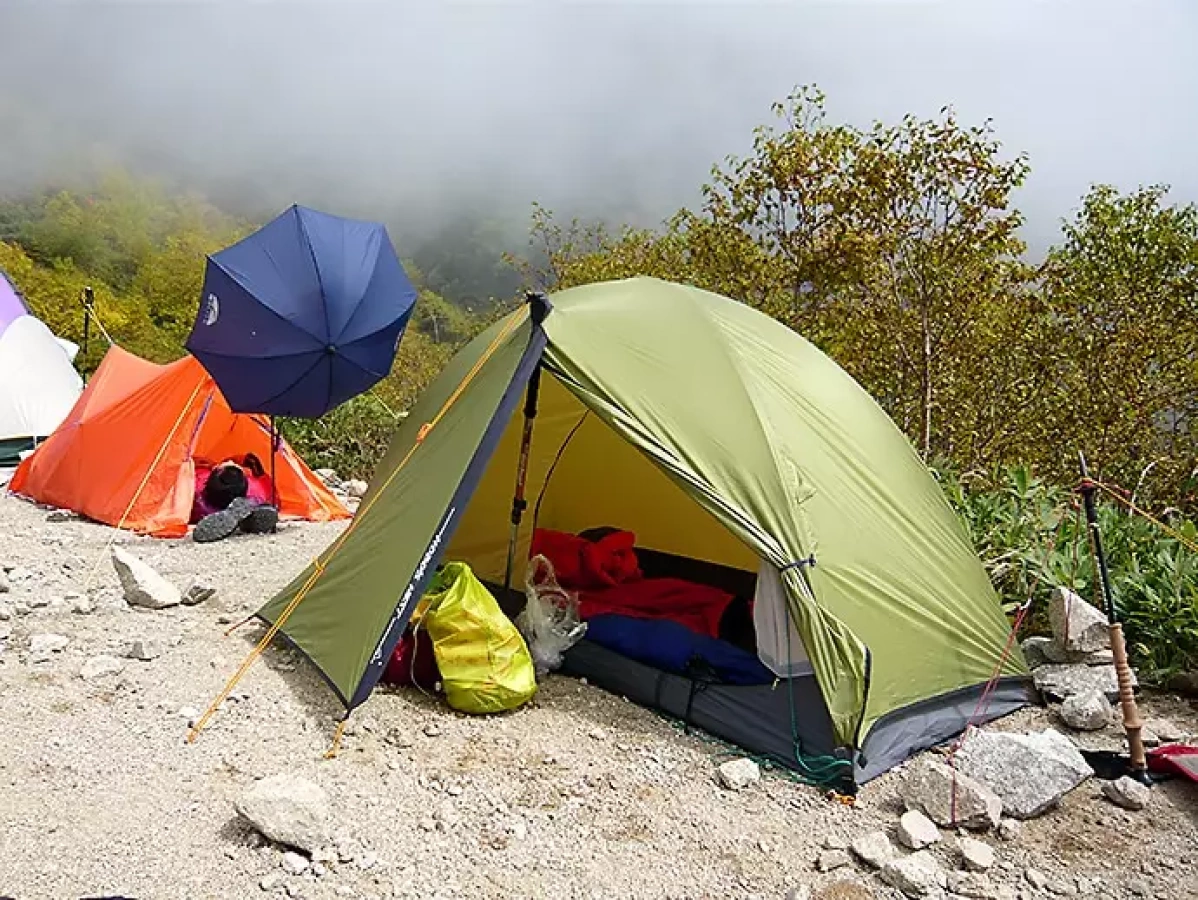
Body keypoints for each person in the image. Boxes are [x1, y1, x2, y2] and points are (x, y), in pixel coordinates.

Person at [191, 453, 278, 542]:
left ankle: (217, 514)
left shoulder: (195, 487)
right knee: (258, 500)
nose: (230, 461)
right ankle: (246, 518)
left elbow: (192, 465)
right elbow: (270, 490)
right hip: (250, 498)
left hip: (203, 508)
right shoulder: (256, 488)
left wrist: (211, 465)